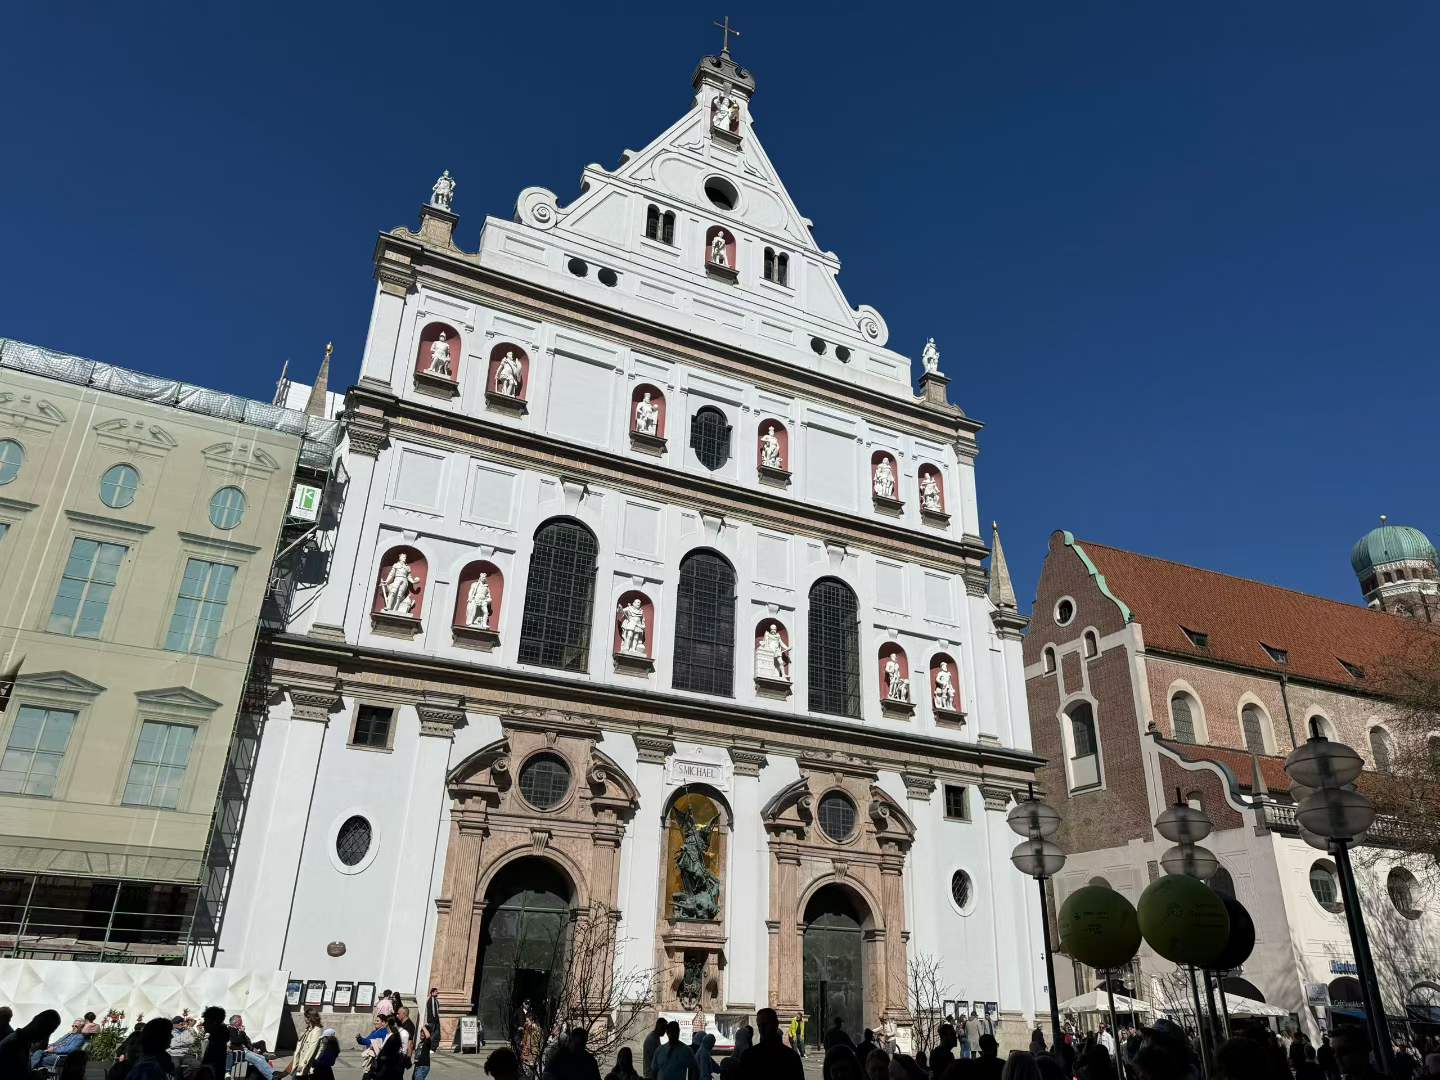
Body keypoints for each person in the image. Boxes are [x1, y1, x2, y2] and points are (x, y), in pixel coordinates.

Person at [737, 1008, 803, 1080]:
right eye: (759, 1025)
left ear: (776, 1024)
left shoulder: (791, 1057)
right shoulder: (748, 1055)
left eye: (765, 1025)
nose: (762, 1029)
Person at [1, 1009, 60, 1076]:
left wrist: (36, 1074)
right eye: (48, 1033)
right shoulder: (15, 1046)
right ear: (40, 1029)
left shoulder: (20, 1041)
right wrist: (36, 1076)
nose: (45, 1039)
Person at [281, 1008, 324, 1077]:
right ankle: (280, 1076)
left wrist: (302, 1065)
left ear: (310, 1018)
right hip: (300, 1059)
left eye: (305, 1017)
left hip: (306, 1063)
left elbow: (311, 1049)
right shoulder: (308, 1029)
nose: (304, 1019)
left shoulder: (316, 1031)